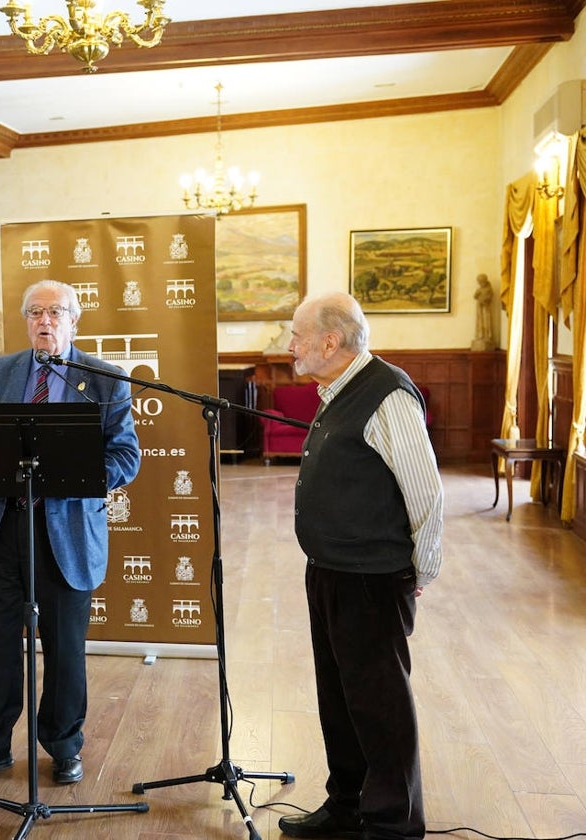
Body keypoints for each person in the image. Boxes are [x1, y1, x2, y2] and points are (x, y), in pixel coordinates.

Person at [0, 279, 140, 787]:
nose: (44, 321)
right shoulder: (2, 371)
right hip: (2, 527)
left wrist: (77, 473)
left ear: (75, 321)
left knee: (64, 647)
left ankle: (63, 745)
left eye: (55, 312)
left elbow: (126, 456)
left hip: (68, 532)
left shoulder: (104, 378)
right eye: (35, 312)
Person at [280, 292, 443, 840]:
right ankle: (347, 808)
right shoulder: (337, 389)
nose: (291, 344)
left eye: (298, 334)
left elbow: (424, 491)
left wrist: (420, 569)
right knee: (339, 697)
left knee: (379, 705)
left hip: (372, 578)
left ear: (331, 340)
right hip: (329, 570)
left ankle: (392, 825)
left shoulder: (387, 393)